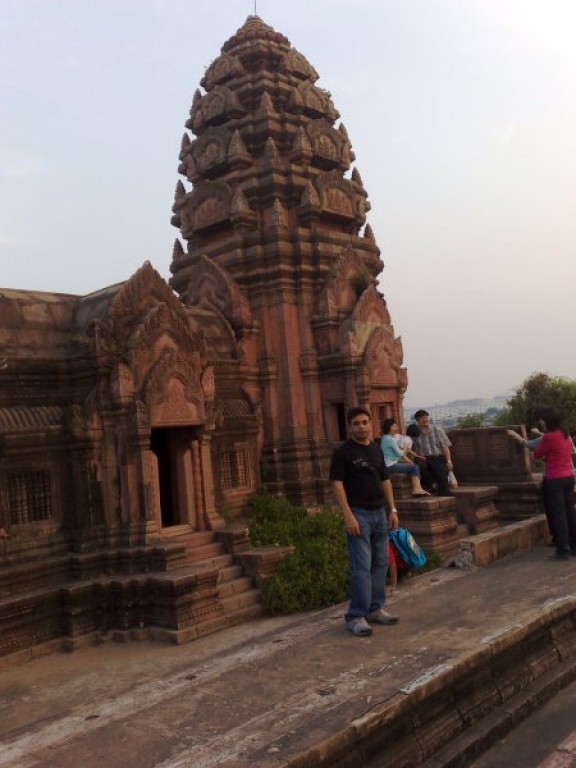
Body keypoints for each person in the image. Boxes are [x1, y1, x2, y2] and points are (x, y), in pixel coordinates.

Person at [329, 406, 400, 636]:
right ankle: (356, 615)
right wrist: (348, 515)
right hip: (358, 513)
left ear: (371, 424)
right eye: (356, 423)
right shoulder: (343, 453)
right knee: (362, 567)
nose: (361, 427)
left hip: (379, 512)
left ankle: (374, 608)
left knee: (380, 563)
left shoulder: (376, 450)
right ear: (349, 427)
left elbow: (384, 480)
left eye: (364, 422)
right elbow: (337, 484)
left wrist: (392, 509)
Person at [508, 407, 576, 560]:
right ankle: (574, 546)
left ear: (548, 420)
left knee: (558, 515)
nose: (540, 422)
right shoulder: (564, 433)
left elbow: (537, 454)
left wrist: (523, 446)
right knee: (570, 513)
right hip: (568, 477)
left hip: (555, 478)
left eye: (542, 419)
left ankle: (562, 549)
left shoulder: (550, 437)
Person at [380, 418, 430, 497]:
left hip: (389, 463)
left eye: (396, 426)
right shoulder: (390, 440)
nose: (396, 428)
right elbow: (400, 453)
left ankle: (418, 488)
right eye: (394, 426)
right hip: (390, 466)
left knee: (413, 465)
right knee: (415, 467)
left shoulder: (385, 437)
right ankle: (416, 489)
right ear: (388, 427)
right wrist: (406, 448)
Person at [409, 410, 454, 496]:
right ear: (417, 421)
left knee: (441, 474)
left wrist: (449, 461)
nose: (424, 420)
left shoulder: (437, 430)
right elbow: (410, 448)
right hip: (422, 457)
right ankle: (430, 485)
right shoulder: (415, 432)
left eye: (426, 417)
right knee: (420, 467)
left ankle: (445, 495)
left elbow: (445, 447)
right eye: (421, 419)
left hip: (436, 456)